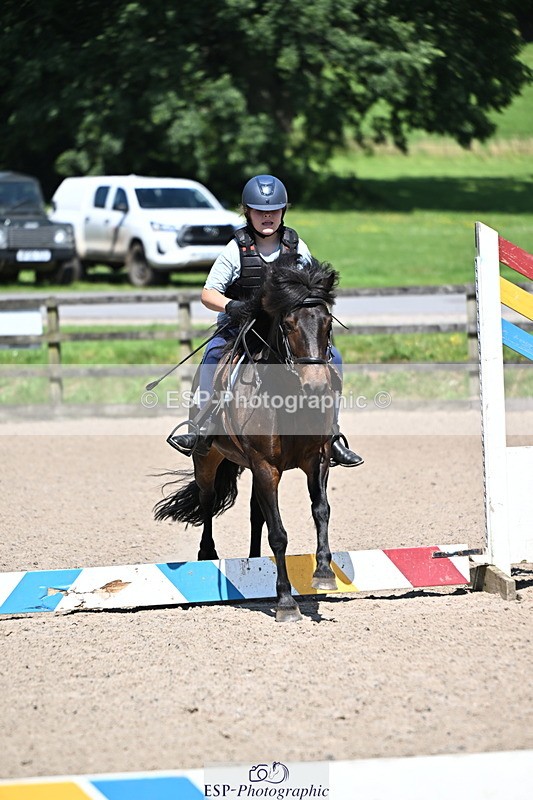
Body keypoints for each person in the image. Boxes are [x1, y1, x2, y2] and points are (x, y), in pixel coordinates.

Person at [168, 174, 363, 467]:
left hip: (286, 332)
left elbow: (313, 288)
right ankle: (201, 426)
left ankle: (331, 434)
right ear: (248, 212)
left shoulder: (297, 247)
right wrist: (232, 306)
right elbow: (208, 294)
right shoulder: (235, 250)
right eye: (260, 211)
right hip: (241, 329)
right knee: (211, 358)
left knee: (334, 357)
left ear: (283, 211)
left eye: (273, 211)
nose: (267, 217)